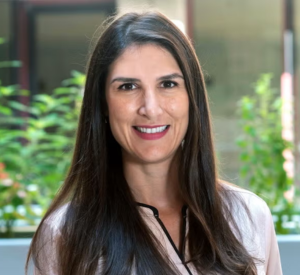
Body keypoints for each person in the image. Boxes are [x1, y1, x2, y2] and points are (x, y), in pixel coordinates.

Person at [26, 11, 282, 275]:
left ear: (191, 98)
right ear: (102, 103)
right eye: (127, 87)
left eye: (168, 84)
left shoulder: (249, 216)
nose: (151, 108)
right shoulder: (65, 234)